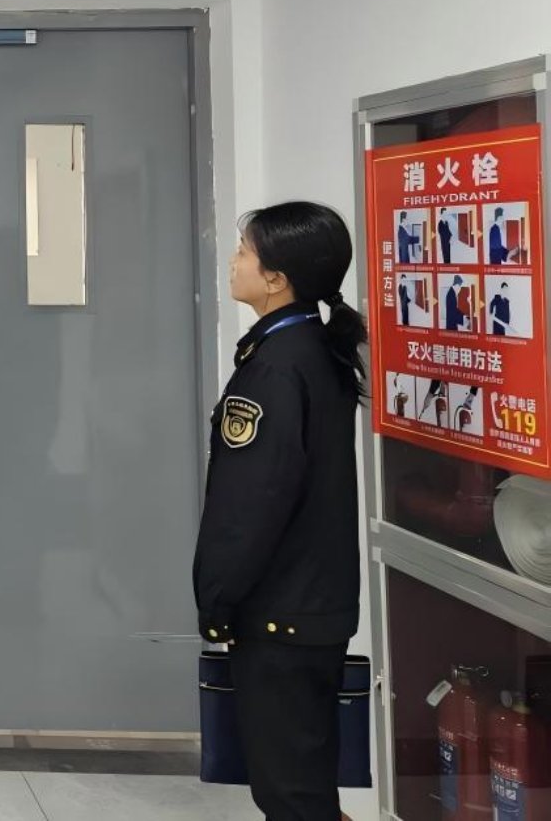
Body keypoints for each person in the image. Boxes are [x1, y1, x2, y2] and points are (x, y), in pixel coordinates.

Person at [194, 201, 365, 821]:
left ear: (276, 278)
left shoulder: (275, 368)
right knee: (304, 781)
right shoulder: (311, 347)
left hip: (281, 613)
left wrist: (216, 600)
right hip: (311, 604)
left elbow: (249, 506)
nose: (233, 261)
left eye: (244, 251)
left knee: (290, 793)